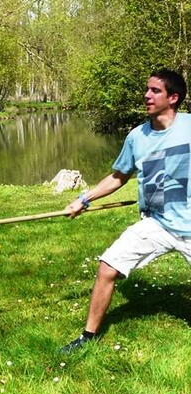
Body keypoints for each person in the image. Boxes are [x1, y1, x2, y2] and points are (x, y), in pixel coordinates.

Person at [60, 68, 191, 353]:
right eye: (147, 89)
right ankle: (88, 336)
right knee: (107, 267)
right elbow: (119, 176)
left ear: (174, 97)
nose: (146, 95)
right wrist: (84, 198)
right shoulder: (136, 137)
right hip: (156, 224)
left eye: (155, 91)